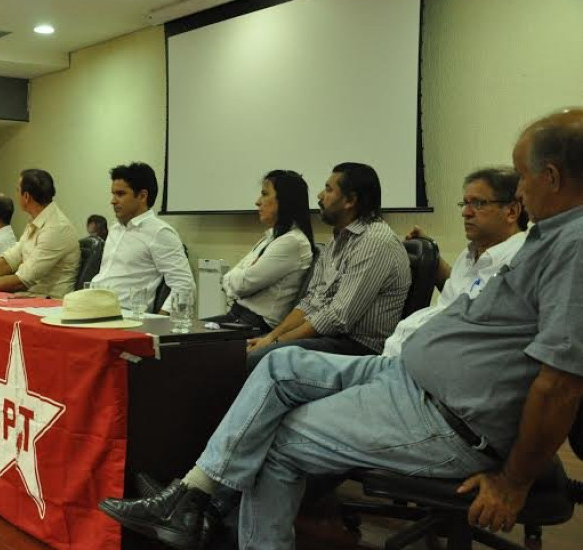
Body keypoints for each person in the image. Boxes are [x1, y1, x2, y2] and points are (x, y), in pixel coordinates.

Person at [98, 108, 583, 550]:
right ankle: (195, 495)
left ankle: (200, 507)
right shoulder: (548, 233)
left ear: (553, 177)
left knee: (275, 439)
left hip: (447, 418)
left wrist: (513, 482)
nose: (517, 192)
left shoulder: (574, 246)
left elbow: (560, 384)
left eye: (521, 177)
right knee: (280, 364)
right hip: (409, 378)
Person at [245, 162, 410, 370]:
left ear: (350, 200)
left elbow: (338, 317)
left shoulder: (375, 242)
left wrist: (278, 342)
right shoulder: (337, 240)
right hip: (332, 339)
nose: (320, 196)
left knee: (262, 359)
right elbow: (311, 302)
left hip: (360, 349)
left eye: (329, 189)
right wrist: (271, 337)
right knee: (249, 351)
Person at [383, 167, 528, 356]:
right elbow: (462, 294)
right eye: (465, 203)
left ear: (512, 211)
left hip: (430, 369)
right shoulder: (470, 254)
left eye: (478, 203)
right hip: (400, 356)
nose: (465, 213)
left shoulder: (520, 262)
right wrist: (432, 254)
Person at [204, 170, 315, 333]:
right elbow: (231, 278)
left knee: (184, 344)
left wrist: (238, 276)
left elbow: (241, 285)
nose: (257, 202)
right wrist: (238, 276)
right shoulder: (272, 236)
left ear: (284, 200)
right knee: (181, 334)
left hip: (256, 325)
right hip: (237, 317)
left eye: (264, 194)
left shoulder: (292, 242)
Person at [90, 162, 195, 310]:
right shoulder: (115, 229)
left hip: (125, 317)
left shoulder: (159, 232)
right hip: (93, 307)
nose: (113, 201)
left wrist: (160, 323)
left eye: (120, 194)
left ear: (142, 196)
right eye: (113, 194)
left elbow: (184, 285)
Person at [0, 169, 79, 298]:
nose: (16, 194)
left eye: (17, 190)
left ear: (26, 196)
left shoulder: (57, 228)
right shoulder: (35, 221)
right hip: (28, 298)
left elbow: (22, 281)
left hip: (49, 305)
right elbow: (8, 260)